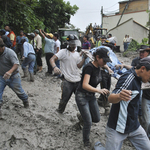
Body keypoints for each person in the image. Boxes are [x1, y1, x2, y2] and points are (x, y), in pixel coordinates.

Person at [105, 57, 150, 150]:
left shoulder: (139, 77)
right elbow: (110, 98)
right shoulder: (128, 78)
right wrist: (119, 96)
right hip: (117, 128)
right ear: (143, 69)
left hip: (134, 127)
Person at [75, 48, 111, 148]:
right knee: (88, 122)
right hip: (82, 96)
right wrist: (99, 90)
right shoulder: (89, 67)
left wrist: (108, 68)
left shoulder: (99, 66)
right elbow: (85, 85)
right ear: (97, 57)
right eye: (104, 60)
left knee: (96, 118)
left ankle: (82, 117)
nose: (105, 63)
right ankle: (86, 142)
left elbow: (104, 66)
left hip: (91, 96)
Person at [50, 34, 87, 114]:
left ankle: (83, 114)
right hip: (67, 81)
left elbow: (79, 66)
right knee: (64, 99)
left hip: (77, 80)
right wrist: (55, 67)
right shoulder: (63, 52)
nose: (74, 46)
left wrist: (84, 58)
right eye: (72, 44)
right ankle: (60, 111)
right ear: (68, 44)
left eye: (75, 44)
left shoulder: (77, 54)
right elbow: (52, 59)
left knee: (80, 100)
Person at [0, 38, 29, 117]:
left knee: (19, 92)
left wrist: (9, 72)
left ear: (2, 47)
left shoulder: (10, 53)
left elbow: (16, 64)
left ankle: (25, 101)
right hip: (1, 76)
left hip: (13, 76)